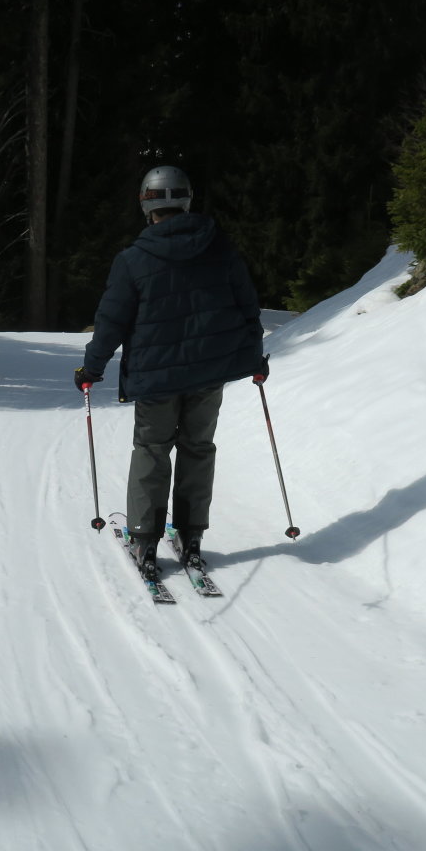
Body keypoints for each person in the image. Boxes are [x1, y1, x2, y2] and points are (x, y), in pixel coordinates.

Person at [74, 165, 267, 582]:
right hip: (208, 372)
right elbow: (247, 308)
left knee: (152, 449)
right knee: (198, 446)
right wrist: (255, 359)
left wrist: (90, 369)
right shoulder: (221, 250)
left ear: (146, 204)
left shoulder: (134, 259)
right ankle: (192, 535)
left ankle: (145, 539)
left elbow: (111, 322)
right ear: (186, 201)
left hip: (156, 378)